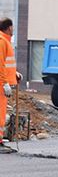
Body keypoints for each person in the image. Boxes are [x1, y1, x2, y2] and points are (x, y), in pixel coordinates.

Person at [0, 18, 21, 147]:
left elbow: (7, 65)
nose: (13, 29)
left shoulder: (5, 41)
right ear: (8, 28)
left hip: (2, 82)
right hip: (1, 84)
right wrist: (4, 83)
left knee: (2, 111)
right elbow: (0, 64)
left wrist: (14, 73)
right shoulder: (2, 41)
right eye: (12, 27)